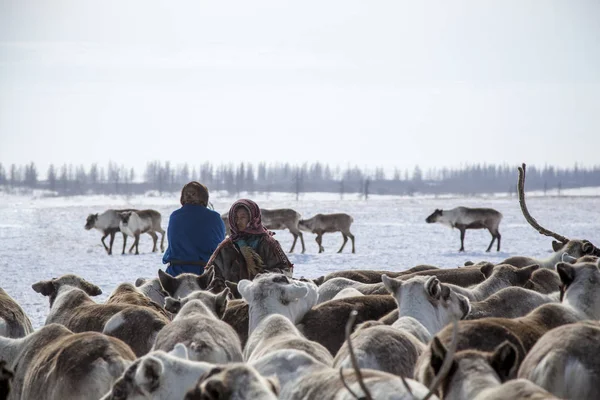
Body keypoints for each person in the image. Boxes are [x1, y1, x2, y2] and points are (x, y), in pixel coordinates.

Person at [205, 199, 293, 289]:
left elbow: (286, 270)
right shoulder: (226, 247)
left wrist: (266, 278)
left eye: (243, 217)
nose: (238, 222)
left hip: (264, 298)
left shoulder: (268, 244)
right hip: (233, 300)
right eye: (235, 218)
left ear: (253, 218)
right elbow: (211, 274)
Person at [162, 181, 225, 276]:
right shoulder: (214, 217)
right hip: (204, 275)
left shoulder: (174, 216)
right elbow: (219, 247)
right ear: (204, 197)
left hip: (175, 273)